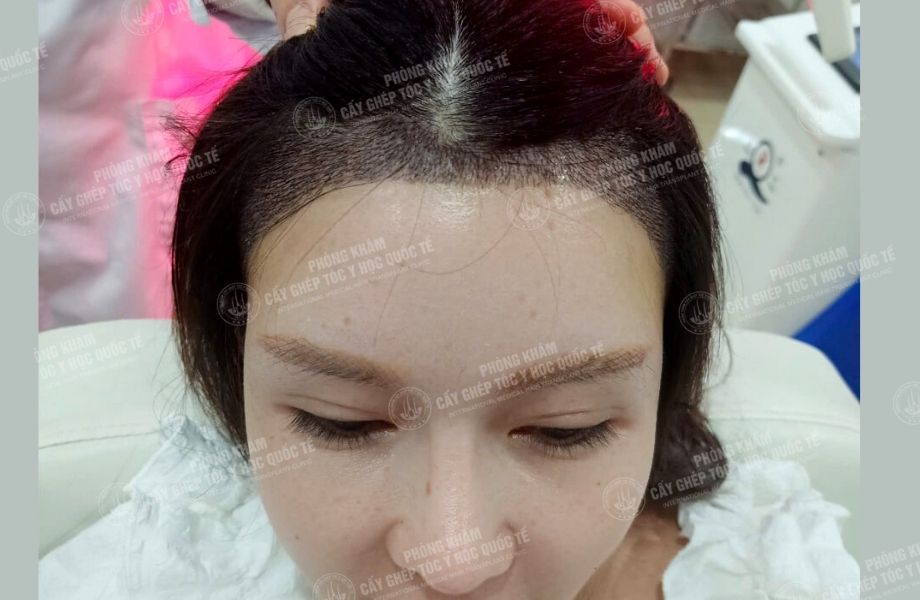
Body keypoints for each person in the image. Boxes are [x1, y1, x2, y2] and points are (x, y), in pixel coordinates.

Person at [39, 1, 857, 598]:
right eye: (340, 422)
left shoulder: (772, 572)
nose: (452, 561)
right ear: (232, 361)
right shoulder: (156, 569)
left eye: (565, 430)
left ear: (670, 372)